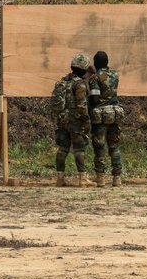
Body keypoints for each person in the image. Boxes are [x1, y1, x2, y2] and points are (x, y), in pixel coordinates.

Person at [51, 53, 95, 187]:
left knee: (62, 148)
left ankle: (60, 178)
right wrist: (86, 120)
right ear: (83, 69)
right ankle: (82, 178)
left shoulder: (64, 81)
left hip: (62, 119)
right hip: (75, 120)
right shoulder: (79, 84)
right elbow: (81, 105)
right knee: (79, 148)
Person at [89, 50, 124, 187]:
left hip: (101, 116)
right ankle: (117, 178)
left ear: (96, 63)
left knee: (100, 147)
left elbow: (95, 97)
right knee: (114, 147)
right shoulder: (115, 75)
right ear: (107, 62)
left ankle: (101, 178)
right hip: (114, 115)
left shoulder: (94, 78)